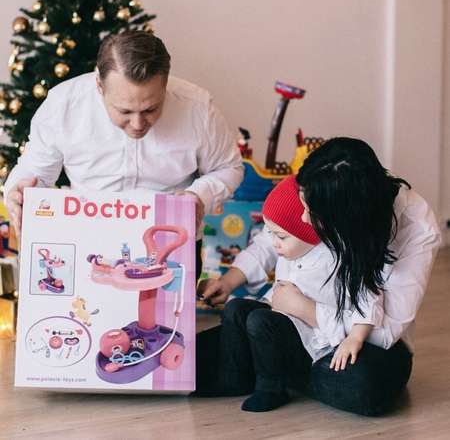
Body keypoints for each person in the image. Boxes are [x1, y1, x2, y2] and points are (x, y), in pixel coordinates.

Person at [196, 138, 441, 416]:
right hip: (290, 322)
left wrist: (304, 309)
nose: (303, 219)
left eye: (312, 214)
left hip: (364, 344)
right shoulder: (325, 179)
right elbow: (276, 231)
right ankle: (266, 363)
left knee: (365, 385)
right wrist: (229, 280)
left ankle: (268, 367)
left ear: (347, 218)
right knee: (196, 356)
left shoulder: (415, 229)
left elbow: (384, 333)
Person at [3, 31, 243, 279]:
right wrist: (18, 191)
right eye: (125, 111)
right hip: (87, 241)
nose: (138, 124)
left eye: (151, 109)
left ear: (165, 85)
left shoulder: (198, 108)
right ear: (99, 84)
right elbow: (34, 172)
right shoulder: (64, 104)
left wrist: (199, 196)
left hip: (172, 244)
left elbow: (229, 167)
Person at [196, 174, 386, 412]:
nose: (274, 243)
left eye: (281, 237)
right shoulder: (288, 248)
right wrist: (229, 283)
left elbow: (369, 298)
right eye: (271, 234)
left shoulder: (338, 259)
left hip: (309, 334)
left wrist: (355, 337)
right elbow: (264, 255)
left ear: (309, 231)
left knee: (260, 321)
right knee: (236, 308)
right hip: (280, 312)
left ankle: (271, 388)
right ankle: (233, 377)